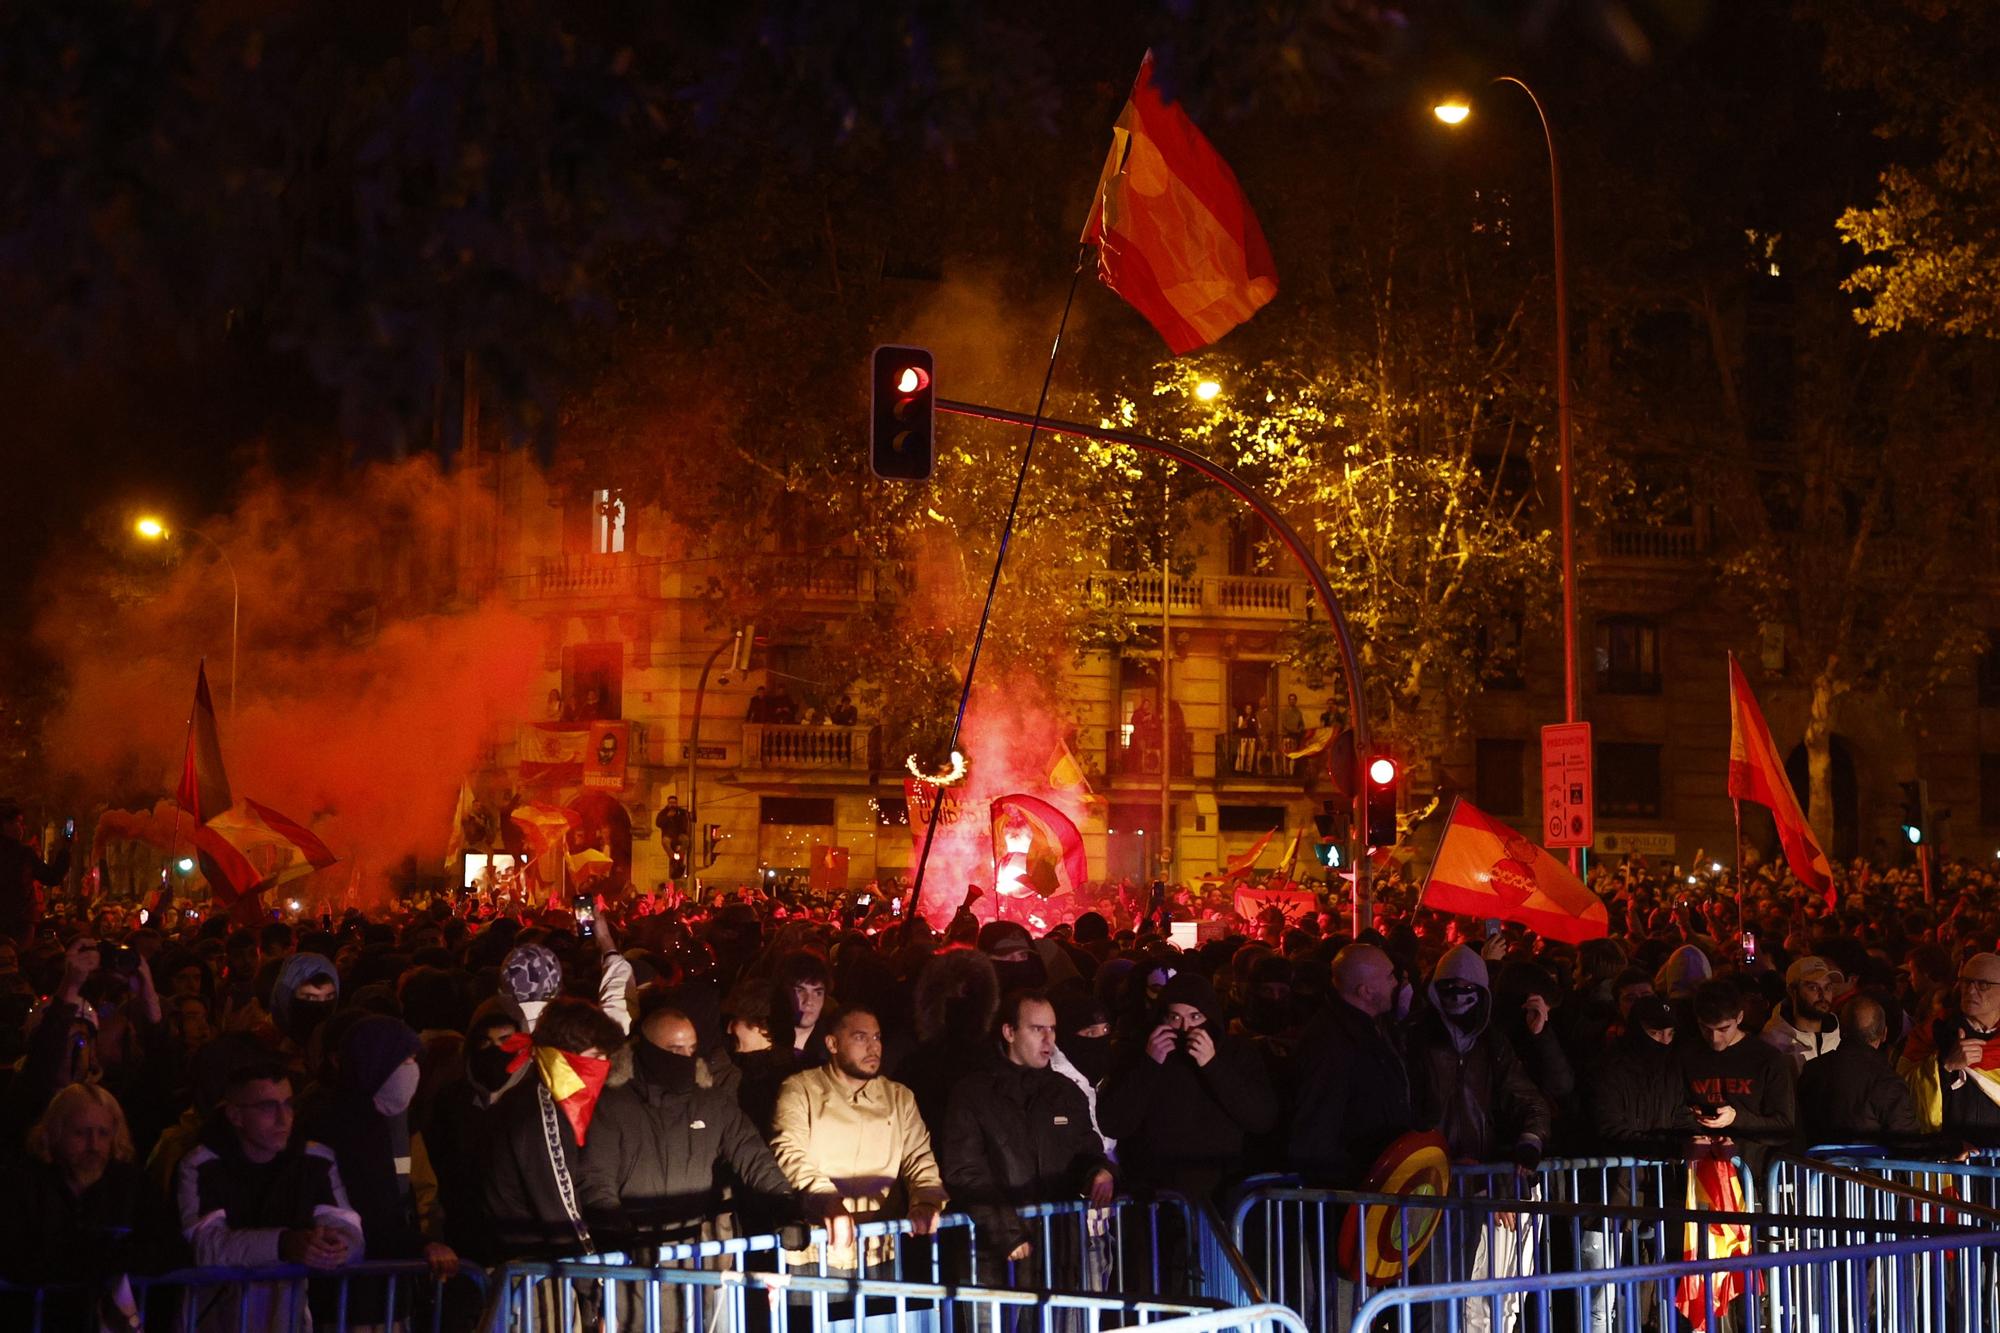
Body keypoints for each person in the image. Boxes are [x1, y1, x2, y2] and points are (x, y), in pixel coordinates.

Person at [583, 1006, 800, 1250]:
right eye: (675, 1050)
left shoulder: (711, 1102)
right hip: (634, 1266)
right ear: (647, 1048)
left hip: (697, 1257)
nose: (686, 1058)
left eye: (692, 1049)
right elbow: (596, 1180)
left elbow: (751, 1154)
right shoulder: (613, 1105)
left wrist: (785, 1207)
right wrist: (622, 1237)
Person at [175, 1058, 366, 1330]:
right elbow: (207, 1246)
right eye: (267, 1107)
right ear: (235, 1115)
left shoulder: (315, 1159)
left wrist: (336, 1247)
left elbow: (348, 1227)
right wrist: (284, 1244)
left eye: (288, 1104)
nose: (283, 1117)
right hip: (216, 1318)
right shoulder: (202, 1164)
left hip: (287, 1318)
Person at [940, 990, 1113, 1281]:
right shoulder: (973, 1094)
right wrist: (1006, 1232)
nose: (1049, 1040)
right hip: (994, 1256)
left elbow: (1086, 1150)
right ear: (1009, 1032)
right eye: (1037, 1029)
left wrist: (1100, 1172)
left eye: (1052, 1029)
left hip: (1058, 1250)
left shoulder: (1065, 1092)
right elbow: (965, 1171)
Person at [297, 1015, 456, 1320]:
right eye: (405, 1060)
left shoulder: (382, 1121)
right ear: (375, 1062)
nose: (412, 1069)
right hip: (350, 1295)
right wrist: (420, 1245)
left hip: (381, 1289)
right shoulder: (340, 1125)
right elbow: (367, 1209)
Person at [770, 1005, 947, 1269]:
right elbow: (788, 1151)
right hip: (816, 1249)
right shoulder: (800, 1090)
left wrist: (925, 1201)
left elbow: (919, 1158)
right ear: (832, 1043)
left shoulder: (898, 1097)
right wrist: (826, 1201)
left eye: (877, 1037)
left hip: (878, 1249)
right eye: (860, 1037)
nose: (873, 1047)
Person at [0, 1083, 183, 1330]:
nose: (93, 1144)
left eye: (103, 1133)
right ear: (56, 1132)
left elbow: (167, 1247)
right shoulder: (25, 1183)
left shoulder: (133, 1185)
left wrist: (117, 1258)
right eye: (80, 1133)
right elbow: (14, 1254)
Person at [1096, 971, 1277, 1204]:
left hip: (1221, 1193)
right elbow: (1115, 1123)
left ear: (1209, 1016)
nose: (1185, 1027)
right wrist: (1149, 1064)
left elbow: (1261, 1118)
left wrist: (1213, 1066)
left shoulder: (1236, 1053)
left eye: (1195, 1017)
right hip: (1156, 1195)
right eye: (1175, 1017)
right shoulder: (1141, 1053)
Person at [482, 996, 625, 1259]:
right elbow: (559, 1204)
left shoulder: (552, 1100)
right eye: (595, 1055)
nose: (603, 1063)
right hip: (535, 1265)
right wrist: (594, 1275)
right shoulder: (540, 1110)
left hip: (544, 1260)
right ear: (564, 1055)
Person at [1289, 943, 1412, 1187]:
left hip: (1374, 1182)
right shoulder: (1330, 1043)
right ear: (1365, 991)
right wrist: (1353, 1182)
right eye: (1389, 977)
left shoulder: (1373, 1029)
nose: (1396, 983)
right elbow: (1318, 1128)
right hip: (1352, 1192)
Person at [1675, 978, 1797, 1170]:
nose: (1715, 1038)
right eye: (1706, 1028)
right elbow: (1672, 1112)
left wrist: (1736, 1118)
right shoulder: (1686, 1057)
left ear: (1740, 1018)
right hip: (1697, 1174)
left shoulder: (1767, 1059)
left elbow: (1783, 1126)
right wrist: (1691, 1117)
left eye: (1723, 1029)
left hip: (1752, 1175)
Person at [1900, 950, 2000, 1145]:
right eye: (1965, 981)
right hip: (1950, 1160)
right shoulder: (1933, 1030)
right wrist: (1943, 1066)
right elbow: (1901, 1088)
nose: (1970, 991)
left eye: (1983, 985)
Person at [1798, 995, 1921, 1145]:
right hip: (1866, 1167)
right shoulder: (1887, 1082)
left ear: (1842, 1029)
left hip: (1815, 1166)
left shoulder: (1813, 1069)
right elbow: (1909, 1143)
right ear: (1884, 1034)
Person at [0, 799, 71, 947]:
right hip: (19, 923)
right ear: (5, 825)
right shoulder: (23, 854)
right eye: (18, 822)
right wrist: (66, 848)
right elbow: (52, 877)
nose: (22, 827)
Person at [1761, 955, 1843, 1068]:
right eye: (1813, 987)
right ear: (1792, 991)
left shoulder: (1842, 1033)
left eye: (1827, 988)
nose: (1823, 995)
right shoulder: (1774, 1042)